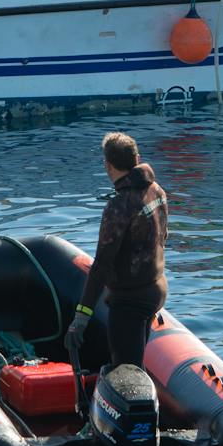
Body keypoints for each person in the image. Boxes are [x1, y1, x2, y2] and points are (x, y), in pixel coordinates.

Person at [65, 132, 170, 371]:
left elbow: (101, 265)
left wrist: (81, 318)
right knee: (135, 359)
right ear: (137, 157)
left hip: (130, 301)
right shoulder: (157, 191)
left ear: (107, 165)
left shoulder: (119, 206)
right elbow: (163, 237)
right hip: (156, 289)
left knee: (127, 371)